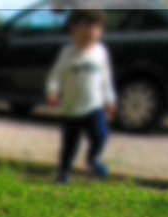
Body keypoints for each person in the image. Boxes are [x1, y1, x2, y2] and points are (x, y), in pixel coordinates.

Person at [46, 9, 117, 184]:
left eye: (95, 29)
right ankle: (64, 173)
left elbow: (106, 79)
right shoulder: (67, 53)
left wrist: (110, 100)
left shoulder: (101, 53)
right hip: (71, 109)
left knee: (100, 135)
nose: (89, 34)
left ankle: (93, 159)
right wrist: (52, 91)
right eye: (84, 29)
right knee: (69, 145)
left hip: (94, 106)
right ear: (73, 30)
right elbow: (55, 75)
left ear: (101, 32)